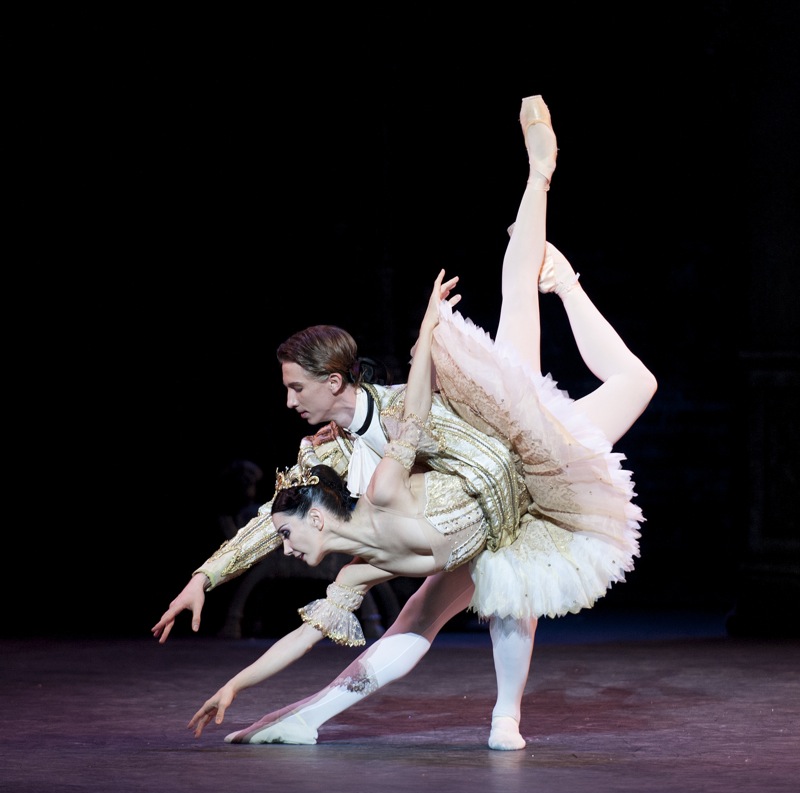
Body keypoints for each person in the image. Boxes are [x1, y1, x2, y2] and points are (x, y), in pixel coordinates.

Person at [180, 95, 657, 749]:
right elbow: (279, 527)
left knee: (532, 307)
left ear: (333, 383)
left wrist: (432, 330)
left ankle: (541, 180)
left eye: (296, 388)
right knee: (443, 603)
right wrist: (211, 594)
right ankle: (318, 718)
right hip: (476, 517)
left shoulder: (383, 462)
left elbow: (420, 393)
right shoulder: (345, 515)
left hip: (503, 444)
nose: (289, 403)